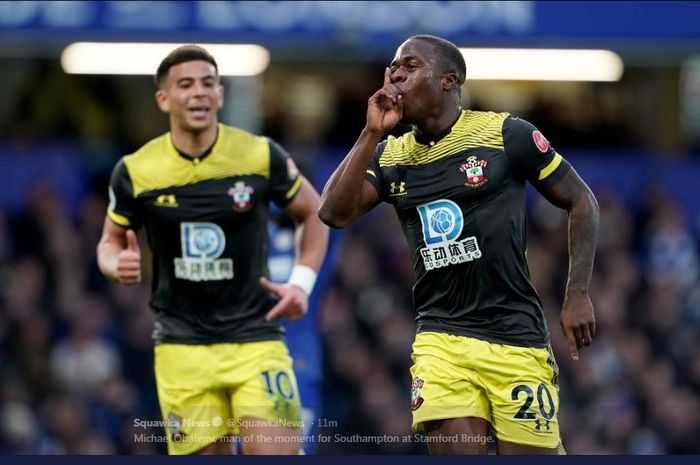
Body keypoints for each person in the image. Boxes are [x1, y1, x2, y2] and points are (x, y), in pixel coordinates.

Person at [318, 35, 599, 455]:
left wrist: (576, 292)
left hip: (516, 339)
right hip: (441, 339)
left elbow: (582, 201)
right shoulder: (391, 155)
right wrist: (369, 133)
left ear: (449, 81)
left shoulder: (505, 134)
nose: (395, 74)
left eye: (410, 66)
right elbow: (333, 213)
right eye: (393, 67)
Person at [97, 45, 329, 455]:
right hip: (182, 349)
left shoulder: (259, 156)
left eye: (208, 83)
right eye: (185, 84)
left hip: (257, 342)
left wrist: (301, 282)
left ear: (221, 95)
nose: (199, 92)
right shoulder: (135, 171)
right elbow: (110, 241)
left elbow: (315, 214)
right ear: (164, 99)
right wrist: (118, 263)